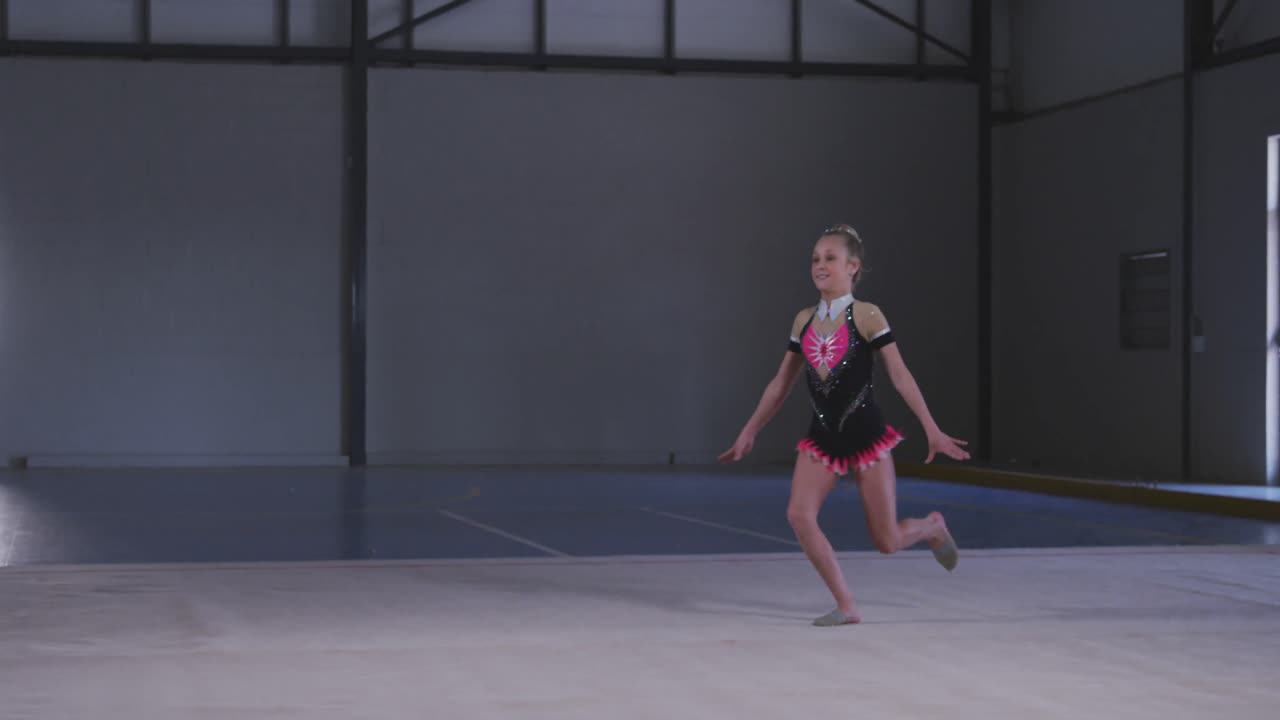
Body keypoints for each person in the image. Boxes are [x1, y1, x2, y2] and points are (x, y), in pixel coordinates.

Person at [719, 223, 970, 627]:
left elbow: (900, 374)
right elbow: (780, 383)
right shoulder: (803, 320)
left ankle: (931, 527)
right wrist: (750, 430)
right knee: (799, 515)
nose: (820, 265)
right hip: (823, 438)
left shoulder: (867, 314)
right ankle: (846, 604)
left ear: (852, 266)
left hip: (867, 437)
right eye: (815, 259)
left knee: (886, 542)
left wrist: (932, 428)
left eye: (830, 258)